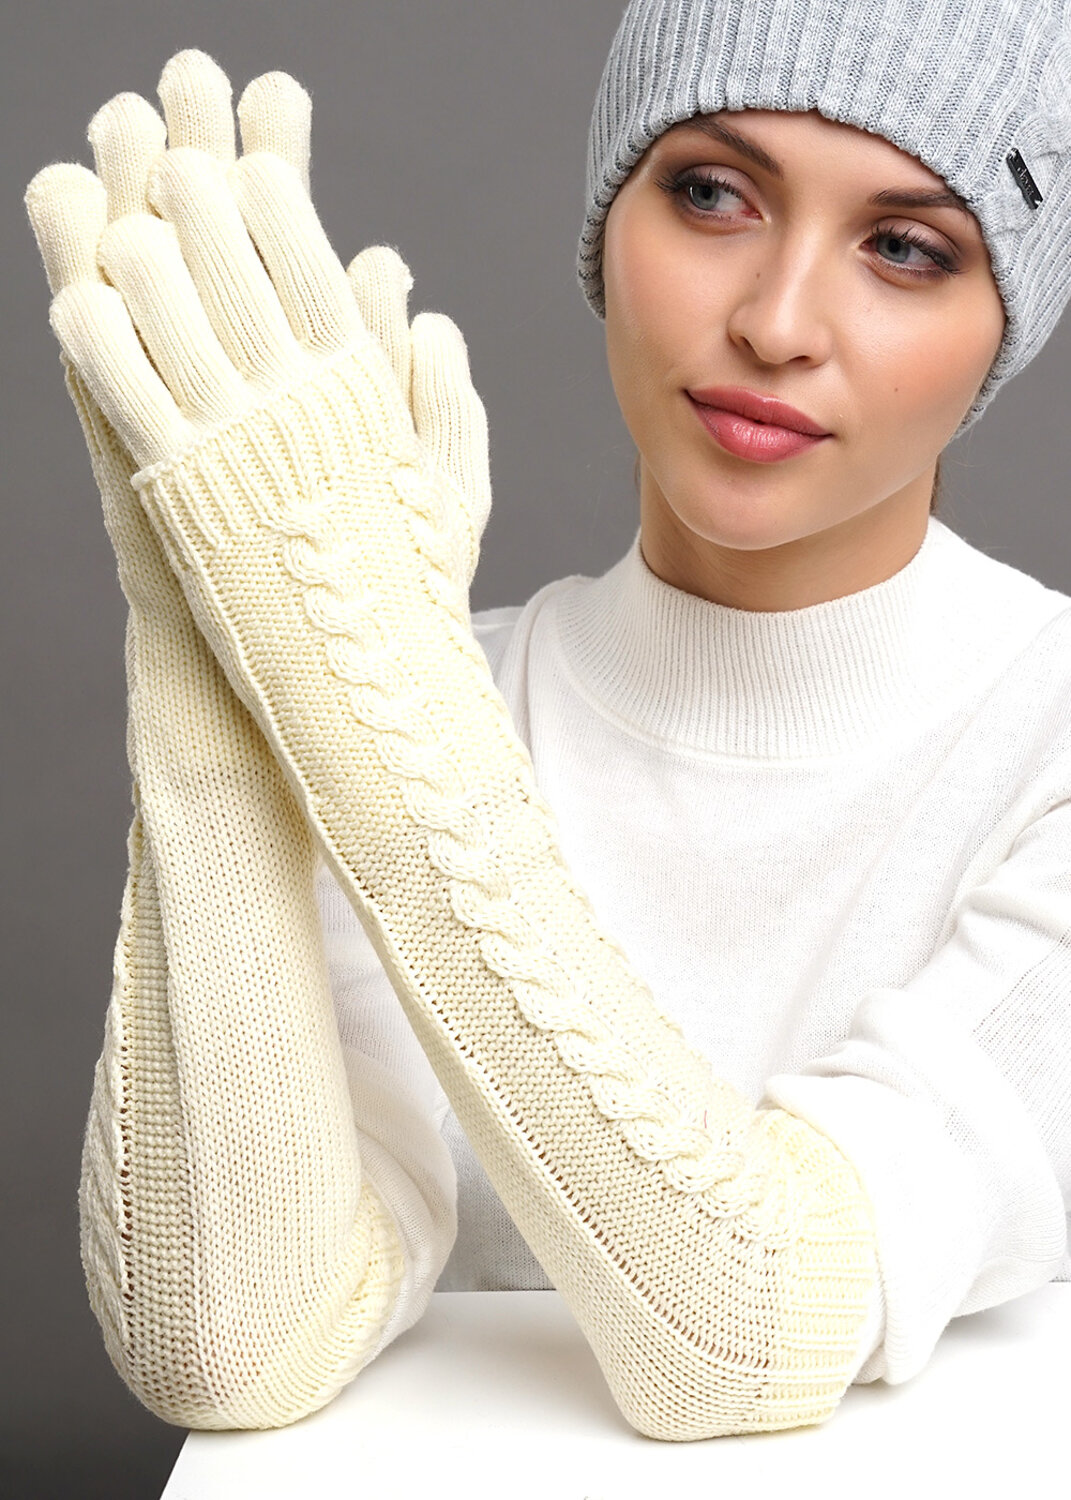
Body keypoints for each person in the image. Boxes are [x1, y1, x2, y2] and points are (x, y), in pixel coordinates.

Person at [24, 0, 1071, 1441]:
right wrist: (209, 628)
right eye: (713, 193)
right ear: (608, 220)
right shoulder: (418, 691)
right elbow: (228, 1342)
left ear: (1007, 321)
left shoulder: (395, 707)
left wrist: (361, 667)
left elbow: (748, 1325)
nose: (776, 322)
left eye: (905, 248)